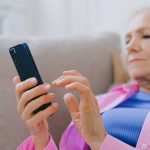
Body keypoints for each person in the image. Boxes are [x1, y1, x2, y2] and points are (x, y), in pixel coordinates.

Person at [13, 7, 150, 150]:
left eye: (146, 36)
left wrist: (100, 141)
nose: (130, 47)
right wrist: (40, 138)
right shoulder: (104, 101)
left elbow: (98, 139)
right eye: (127, 41)